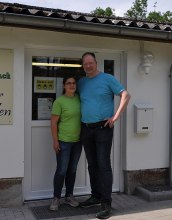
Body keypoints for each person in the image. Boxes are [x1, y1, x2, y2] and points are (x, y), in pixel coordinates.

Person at [78, 52, 131, 219]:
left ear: (96, 63)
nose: (88, 66)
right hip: (86, 129)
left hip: (103, 128)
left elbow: (125, 95)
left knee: (103, 165)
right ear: (83, 65)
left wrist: (115, 116)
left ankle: (106, 203)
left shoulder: (107, 78)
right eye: (85, 63)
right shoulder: (81, 82)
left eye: (90, 63)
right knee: (92, 165)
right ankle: (95, 196)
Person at [49, 76, 82, 211]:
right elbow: (53, 122)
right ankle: (56, 198)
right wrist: (55, 141)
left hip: (78, 142)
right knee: (61, 170)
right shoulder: (59, 101)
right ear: (64, 85)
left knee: (72, 170)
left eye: (73, 83)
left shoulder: (79, 99)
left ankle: (69, 196)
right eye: (69, 83)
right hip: (64, 142)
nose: (72, 85)